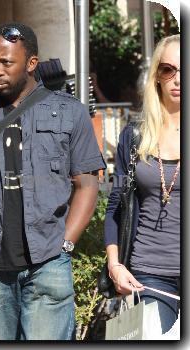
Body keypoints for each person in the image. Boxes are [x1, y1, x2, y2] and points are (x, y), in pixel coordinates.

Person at [0, 22, 106, 340]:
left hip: (47, 258)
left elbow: (87, 185)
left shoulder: (68, 111)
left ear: (32, 63)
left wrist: (65, 244)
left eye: (7, 62)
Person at [104, 34, 180, 333]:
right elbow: (115, 207)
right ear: (157, 77)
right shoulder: (135, 135)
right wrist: (115, 266)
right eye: (168, 70)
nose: (177, 78)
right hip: (149, 274)